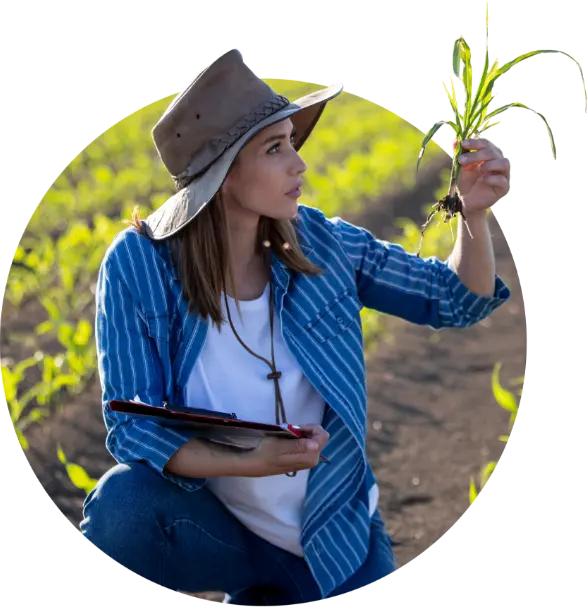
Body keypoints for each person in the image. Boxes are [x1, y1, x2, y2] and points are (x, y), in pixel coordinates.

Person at [79, 48, 511, 605]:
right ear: (224, 173)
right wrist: (247, 462)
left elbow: (454, 300)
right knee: (124, 509)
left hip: (335, 534)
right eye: (276, 148)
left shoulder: (321, 243)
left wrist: (472, 214)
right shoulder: (140, 265)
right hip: (225, 531)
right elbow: (133, 426)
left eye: (292, 143)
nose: (299, 164)